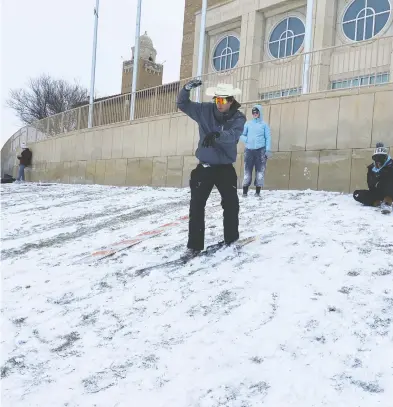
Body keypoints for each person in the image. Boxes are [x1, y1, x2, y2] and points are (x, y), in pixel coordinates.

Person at [177, 79, 247, 258]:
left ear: (231, 101)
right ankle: (194, 246)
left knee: (231, 204)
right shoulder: (204, 110)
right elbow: (182, 104)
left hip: (225, 168)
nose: (219, 104)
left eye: (223, 100)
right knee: (197, 205)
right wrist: (186, 89)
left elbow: (233, 136)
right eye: (217, 100)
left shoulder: (238, 117)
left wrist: (217, 134)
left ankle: (231, 240)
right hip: (205, 167)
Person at [240, 104, 272, 197]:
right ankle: (245, 192)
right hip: (249, 150)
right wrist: (247, 140)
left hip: (261, 150)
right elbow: (241, 135)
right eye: (253, 112)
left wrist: (268, 150)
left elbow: (268, 138)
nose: (255, 114)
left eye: (256, 112)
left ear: (260, 113)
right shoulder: (248, 124)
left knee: (260, 171)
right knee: (247, 171)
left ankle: (257, 192)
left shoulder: (264, 125)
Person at [353, 142, 393, 215]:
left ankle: (387, 203)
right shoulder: (371, 168)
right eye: (376, 158)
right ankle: (377, 203)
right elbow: (370, 185)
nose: (378, 161)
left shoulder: (391, 166)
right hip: (377, 192)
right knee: (358, 194)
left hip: (390, 192)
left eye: (381, 158)